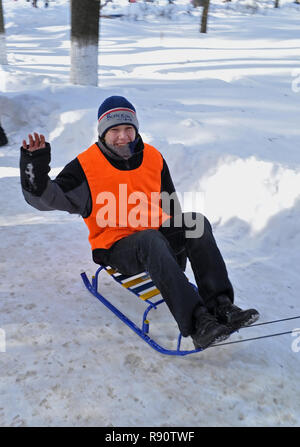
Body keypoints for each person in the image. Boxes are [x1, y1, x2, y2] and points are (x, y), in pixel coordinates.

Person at [19, 96, 259, 350]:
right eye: (115, 130)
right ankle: (199, 324)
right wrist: (34, 163)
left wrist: (176, 254)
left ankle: (221, 306)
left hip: (156, 239)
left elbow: (169, 204)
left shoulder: (153, 157)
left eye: (128, 129)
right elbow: (46, 198)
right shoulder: (85, 166)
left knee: (195, 223)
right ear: (102, 133)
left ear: (136, 129)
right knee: (149, 239)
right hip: (116, 247)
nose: (123, 136)